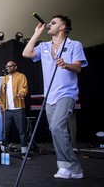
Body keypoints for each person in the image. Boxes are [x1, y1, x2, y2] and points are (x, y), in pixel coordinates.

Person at [22, 14, 88, 179]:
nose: (49, 25)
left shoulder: (74, 45)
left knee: (58, 127)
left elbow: (78, 68)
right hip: (49, 95)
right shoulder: (44, 46)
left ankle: (66, 166)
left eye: (54, 22)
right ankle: (73, 168)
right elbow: (26, 53)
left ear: (63, 27)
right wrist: (37, 33)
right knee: (56, 130)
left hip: (67, 93)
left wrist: (65, 64)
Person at [0, 61, 30, 159]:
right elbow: (1, 94)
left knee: (22, 131)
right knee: (5, 131)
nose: (8, 68)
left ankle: (24, 152)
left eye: (10, 66)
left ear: (15, 67)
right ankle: (2, 150)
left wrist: (21, 93)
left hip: (18, 108)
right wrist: (1, 106)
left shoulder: (21, 76)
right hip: (7, 109)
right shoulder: (4, 78)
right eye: (7, 66)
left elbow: (24, 88)